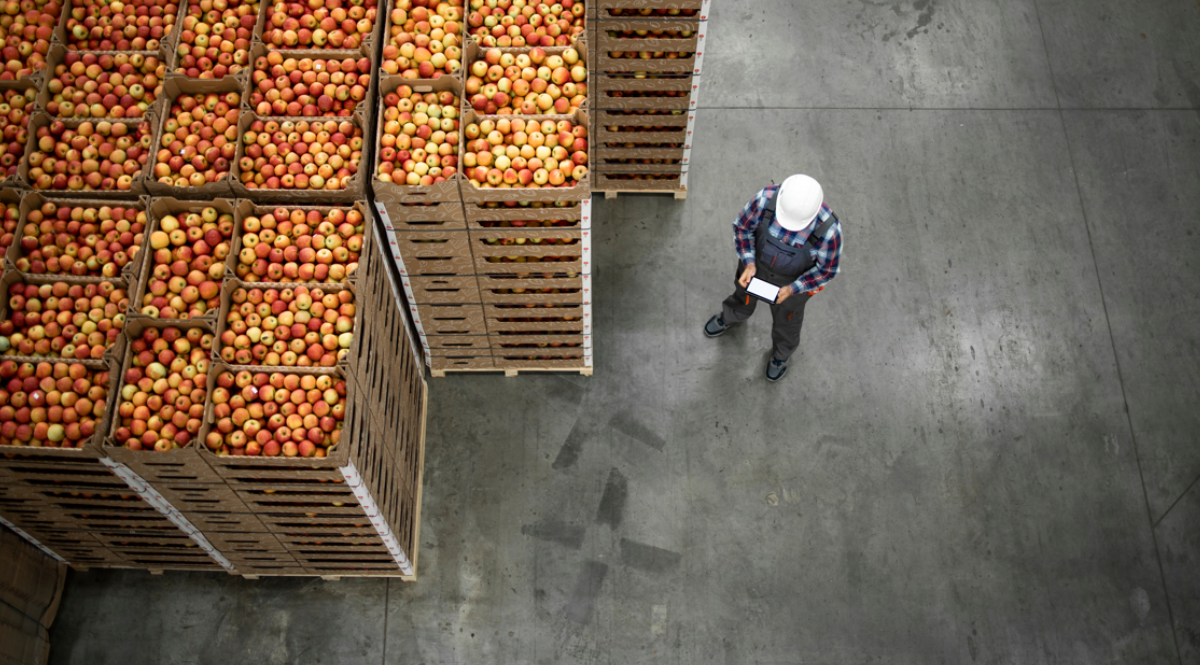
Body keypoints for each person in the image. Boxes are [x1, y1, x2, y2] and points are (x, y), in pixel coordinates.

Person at [704, 174, 844, 382]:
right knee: (743, 295)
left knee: (788, 320)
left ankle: (781, 355)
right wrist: (749, 262)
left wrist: (794, 288)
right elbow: (743, 229)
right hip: (755, 268)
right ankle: (732, 315)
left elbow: (826, 271)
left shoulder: (830, 231)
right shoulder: (765, 199)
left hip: (791, 286)